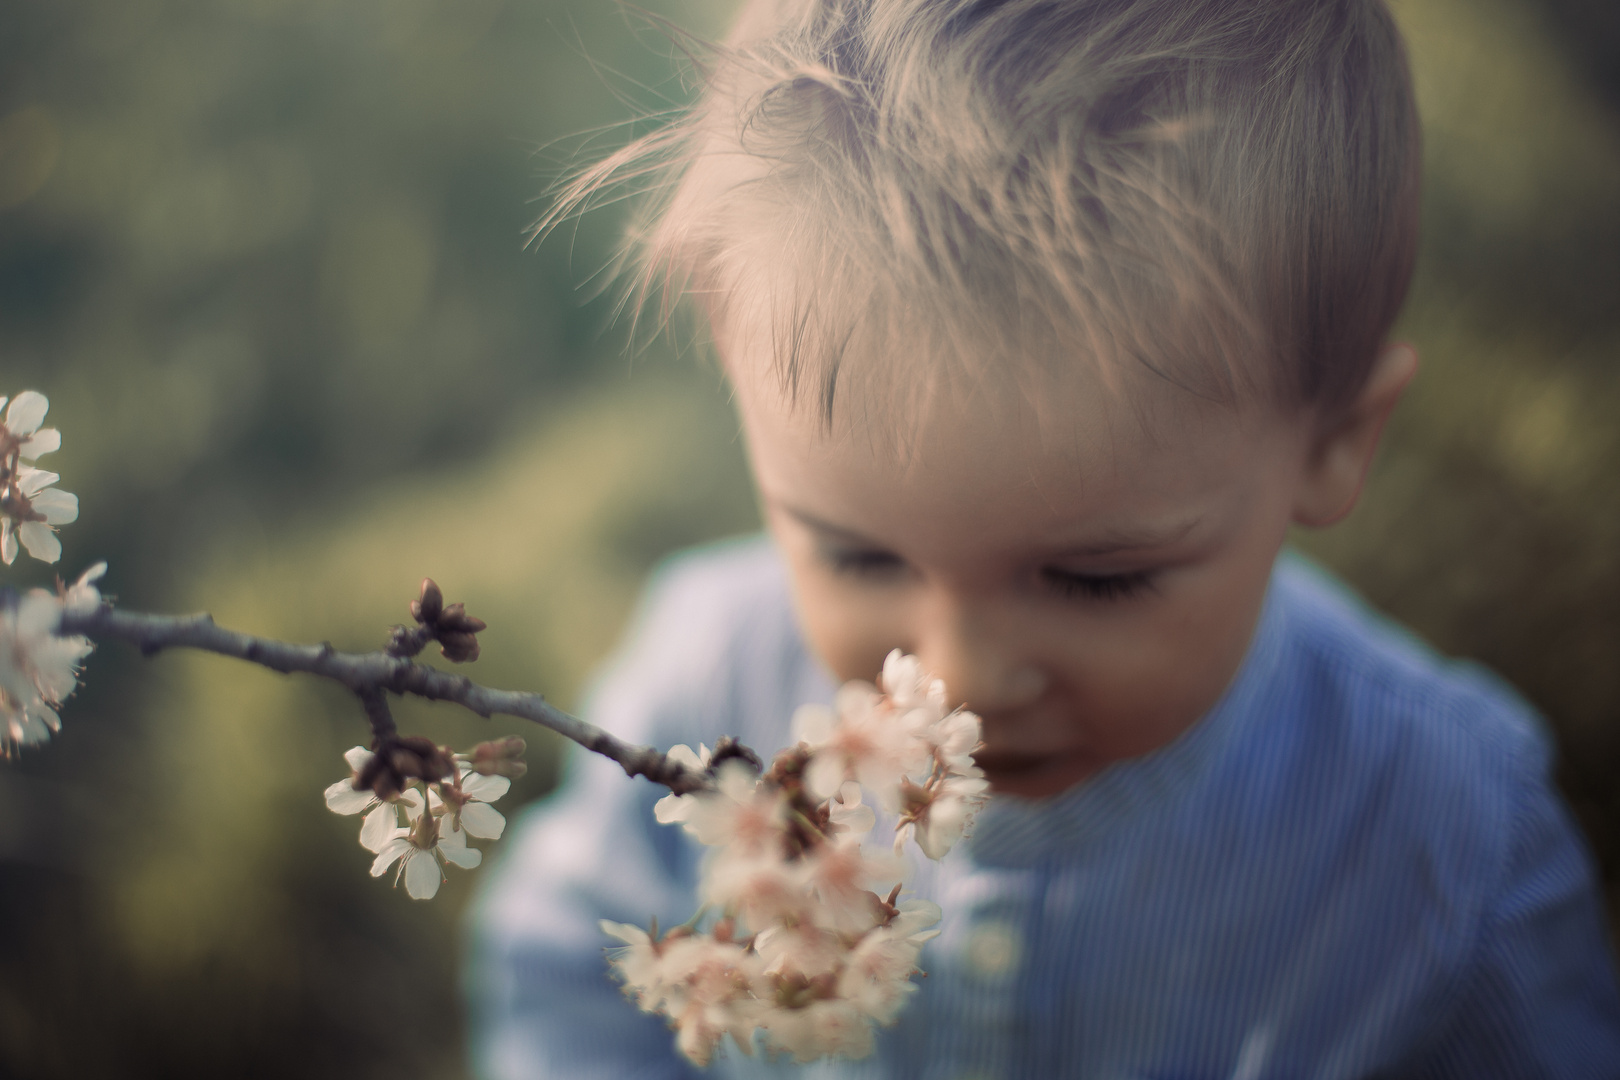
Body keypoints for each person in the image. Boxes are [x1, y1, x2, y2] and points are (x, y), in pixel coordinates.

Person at [468, 0, 1620, 1075]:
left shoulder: (1448, 841)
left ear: (1333, 442)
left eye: (1094, 578)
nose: (956, 682)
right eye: (861, 555)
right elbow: (569, 987)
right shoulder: (701, 679)